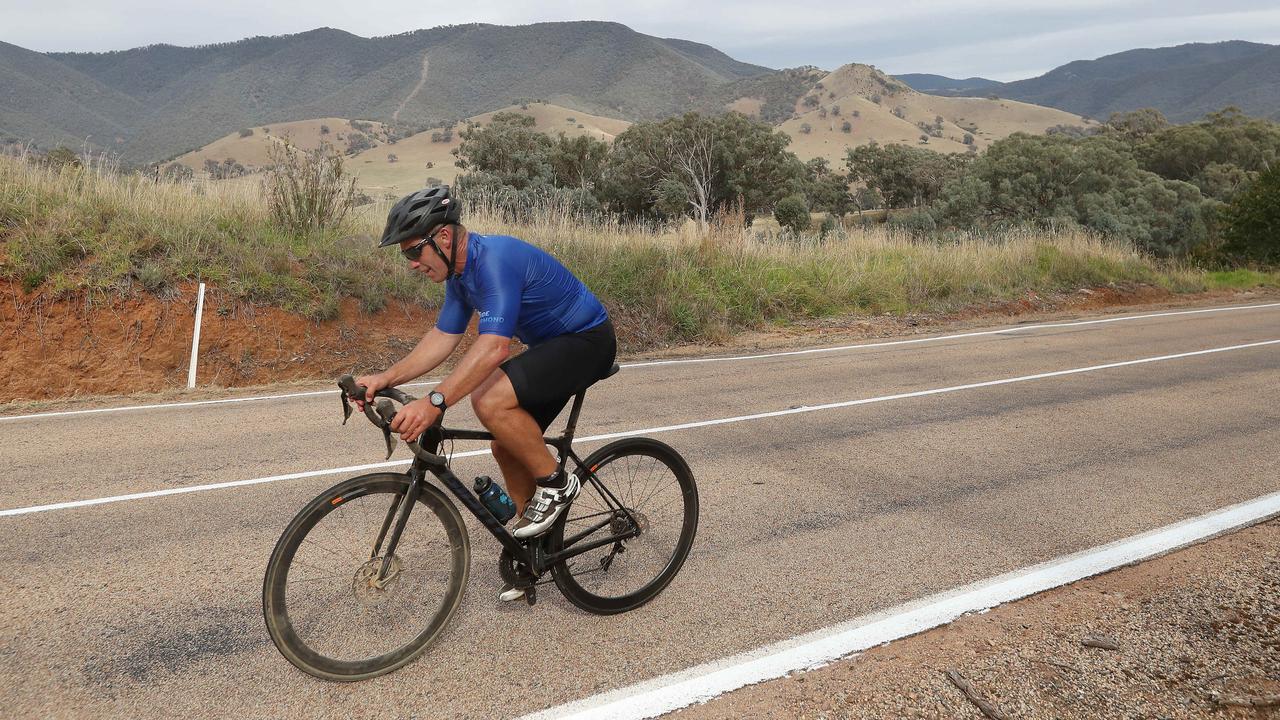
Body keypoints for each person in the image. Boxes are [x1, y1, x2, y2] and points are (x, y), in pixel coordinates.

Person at [355, 186, 616, 584]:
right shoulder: (460, 277)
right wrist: (385, 378)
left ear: (442, 237)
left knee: (490, 400)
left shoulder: (494, 260)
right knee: (505, 441)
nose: (410, 263)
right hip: (553, 347)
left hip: (587, 341)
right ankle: (537, 554)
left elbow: (494, 348)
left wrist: (434, 402)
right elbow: (443, 337)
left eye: (412, 251)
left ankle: (557, 484)